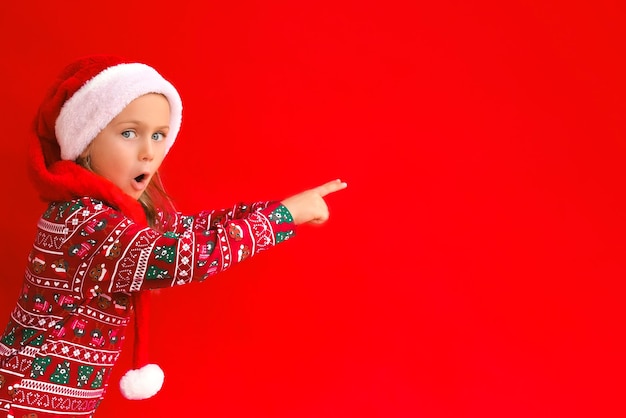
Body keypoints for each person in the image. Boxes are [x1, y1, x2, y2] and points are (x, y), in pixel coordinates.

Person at [0, 55, 346, 418]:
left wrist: (278, 208)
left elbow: (190, 229)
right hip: (25, 404)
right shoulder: (87, 223)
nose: (149, 151)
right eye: (129, 133)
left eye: (159, 135)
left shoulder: (113, 215)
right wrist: (285, 216)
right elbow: (187, 256)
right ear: (85, 142)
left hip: (53, 404)